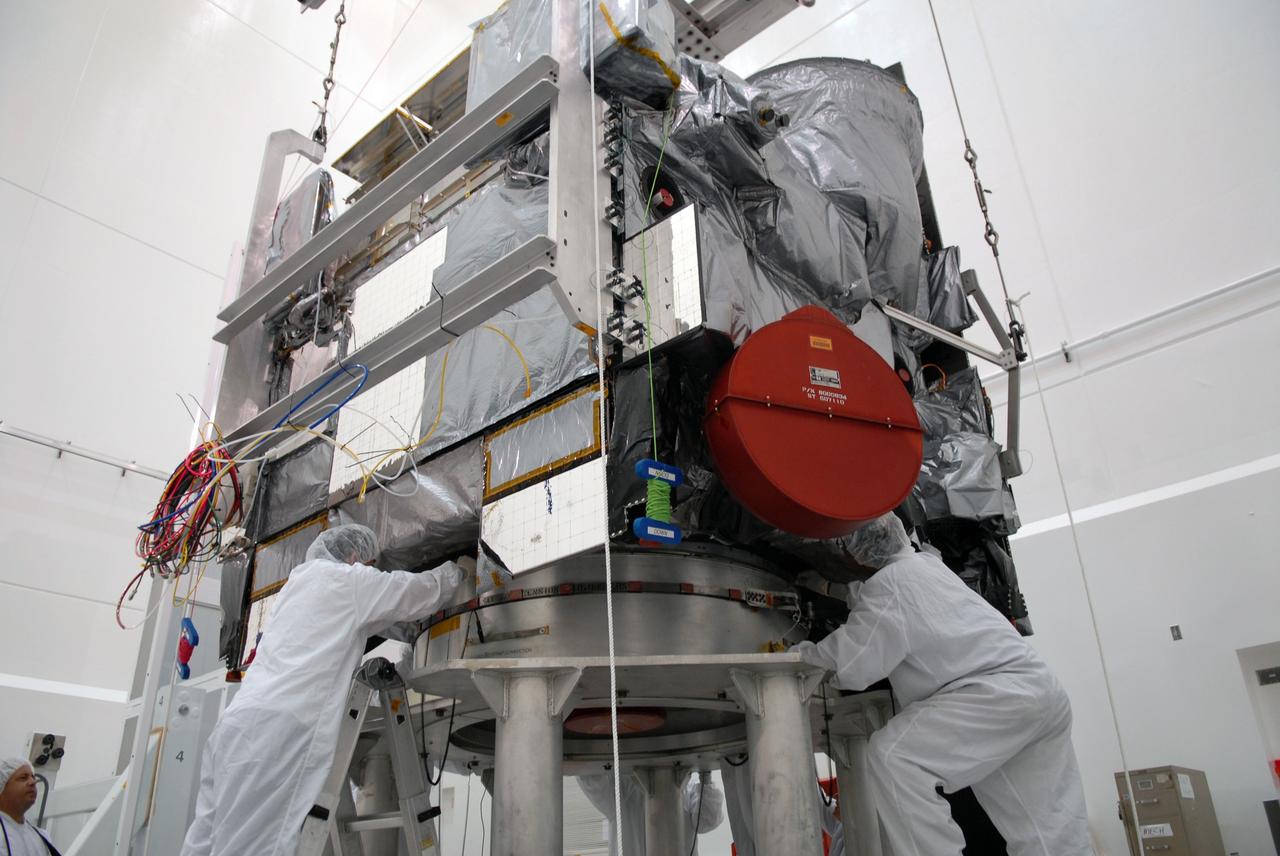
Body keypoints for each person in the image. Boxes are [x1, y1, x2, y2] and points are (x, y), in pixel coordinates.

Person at [792, 513, 1093, 856]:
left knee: (895, 758)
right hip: (1039, 693)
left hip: (994, 696)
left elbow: (853, 660)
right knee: (1049, 831)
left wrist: (799, 656)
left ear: (858, 551)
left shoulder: (892, 583)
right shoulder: (929, 567)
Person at [180, 525, 464, 856]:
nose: (368, 570)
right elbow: (418, 591)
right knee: (255, 846)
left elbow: (368, 620)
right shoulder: (351, 582)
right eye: (369, 564)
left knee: (203, 841)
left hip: (234, 727)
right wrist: (459, 570)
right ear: (356, 556)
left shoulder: (297, 587)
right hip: (279, 732)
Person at [577, 769, 725, 855]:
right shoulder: (621, 786)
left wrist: (706, 778)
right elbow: (589, 776)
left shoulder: (687, 785)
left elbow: (707, 821)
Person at [0, 758, 57, 855]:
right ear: (2, 786)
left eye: (33, 777)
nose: (33, 782)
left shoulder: (41, 838)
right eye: (23, 778)